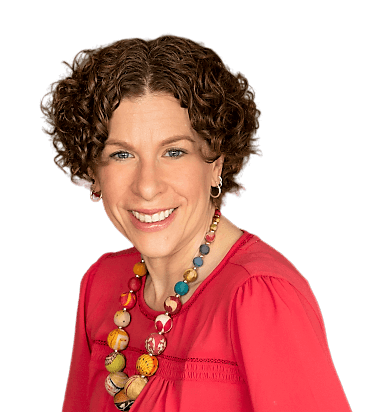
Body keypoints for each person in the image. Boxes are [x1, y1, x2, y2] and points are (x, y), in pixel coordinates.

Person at [40, 33, 351, 412]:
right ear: (93, 171)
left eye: (174, 152)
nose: (147, 186)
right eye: (121, 154)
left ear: (216, 163)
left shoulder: (260, 297)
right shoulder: (101, 285)